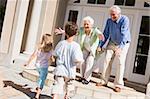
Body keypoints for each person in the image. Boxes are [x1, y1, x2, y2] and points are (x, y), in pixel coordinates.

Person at [55, 16, 104, 85]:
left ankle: (87, 79)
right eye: (84, 24)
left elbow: (100, 35)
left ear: (91, 25)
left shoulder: (95, 30)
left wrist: (100, 38)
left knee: (89, 62)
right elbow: (74, 32)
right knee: (82, 61)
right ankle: (82, 76)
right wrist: (63, 32)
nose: (86, 26)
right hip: (85, 48)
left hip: (92, 50)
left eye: (87, 24)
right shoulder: (81, 30)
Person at [97, 5, 131, 92]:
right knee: (107, 60)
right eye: (111, 14)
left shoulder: (124, 19)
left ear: (119, 14)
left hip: (123, 43)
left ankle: (118, 85)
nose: (112, 16)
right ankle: (104, 81)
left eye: (114, 15)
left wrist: (120, 48)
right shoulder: (109, 21)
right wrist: (100, 45)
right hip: (112, 42)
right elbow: (106, 34)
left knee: (120, 62)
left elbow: (124, 34)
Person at [51, 22, 84, 99]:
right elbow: (77, 59)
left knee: (57, 87)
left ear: (65, 33)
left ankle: (55, 97)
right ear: (76, 33)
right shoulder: (76, 46)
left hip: (60, 70)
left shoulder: (61, 43)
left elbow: (55, 54)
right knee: (69, 88)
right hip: (70, 71)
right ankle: (67, 96)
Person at [24, 34, 54, 99]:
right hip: (44, 67)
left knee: (41, 77)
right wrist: (51, 61)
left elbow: (33, 55)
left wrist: (28, 62)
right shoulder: (50, 50)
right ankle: (37, 95)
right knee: (42, 80)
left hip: (37, 66)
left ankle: (38, 86)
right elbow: (51, 59)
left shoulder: (39, 48)